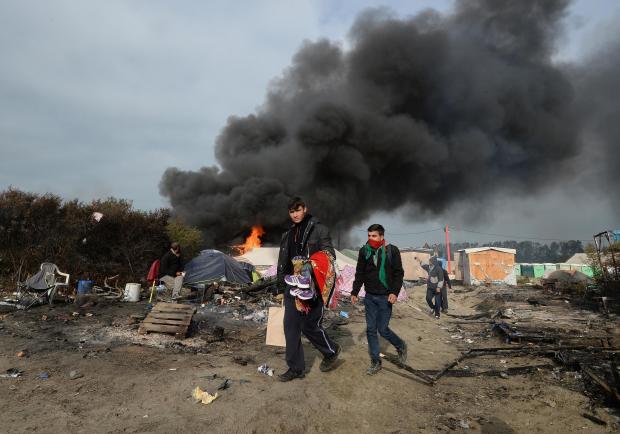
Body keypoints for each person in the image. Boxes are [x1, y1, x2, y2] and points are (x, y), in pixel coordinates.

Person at [276, 197, 340, 382]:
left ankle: (331, 351)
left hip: (312, 286)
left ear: (305, 209)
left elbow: (329, 255)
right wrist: (280, 287)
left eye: (298, 210)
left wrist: (308, 266)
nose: (295, 214)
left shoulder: (319, 229)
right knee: (290, 327)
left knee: (309, 325)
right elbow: (283, 263)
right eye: (291, 211)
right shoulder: (287, 234)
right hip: (291, 285)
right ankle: (295, 368)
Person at [351, 224, 407, 375]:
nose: (371, 239)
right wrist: (355, 291)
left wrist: (394, 292)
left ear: (382, 236)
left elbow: (398, 273)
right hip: (369, 296)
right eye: (369, 236)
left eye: (374, 236)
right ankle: (376, 361)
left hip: (385, 297)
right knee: (370, 329)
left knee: (382, 329)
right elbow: (360, 272)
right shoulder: (364, 251)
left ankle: (401, 345)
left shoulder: (391, 251)